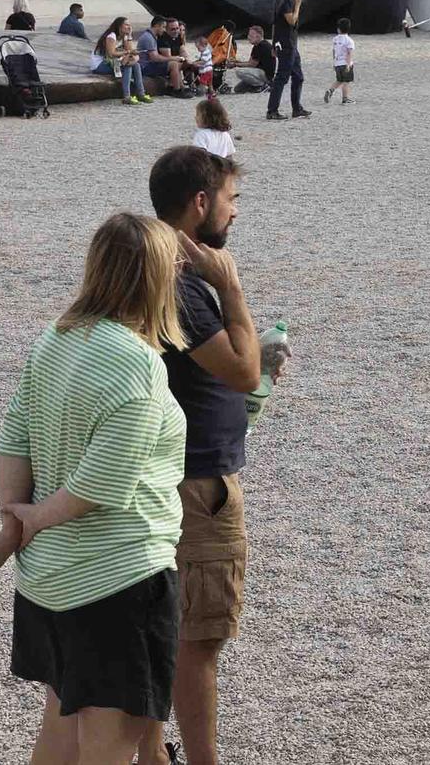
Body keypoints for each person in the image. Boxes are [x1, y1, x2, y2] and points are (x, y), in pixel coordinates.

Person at [0, 213, 188, 765]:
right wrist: (29, 520)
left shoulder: (56, 340)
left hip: (52, 582)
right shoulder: (138, 364)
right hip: (120, 578)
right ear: (156, 278)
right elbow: (104, 483)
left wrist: (15, 525)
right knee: (105, 750)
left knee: (59, 738)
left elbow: (15, 436)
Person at [135, 149, 261, 765]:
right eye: (232, 199)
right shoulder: (187, 280)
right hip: (195, 483)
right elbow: (241, 370)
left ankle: (155, 752)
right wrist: (232, 287)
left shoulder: (149, 263)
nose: (236, 213)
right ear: (202, 203)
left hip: (165, 472)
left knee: (157, 625)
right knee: (198, 637)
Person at [265, 0, 309, 121]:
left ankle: (296, 108)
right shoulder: (287, 1)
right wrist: (297, 6)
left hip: (290, 44)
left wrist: (273, 43)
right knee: (282, 77)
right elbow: (291, 21)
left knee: (298, 76)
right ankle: (272, 111)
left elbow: (274, 24)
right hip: (286, 44)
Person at [95, 18, 144, 106]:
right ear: (119, 26)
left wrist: (129, 36)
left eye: (130, 25)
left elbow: (130, 50)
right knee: (128, 66)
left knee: (136, 65)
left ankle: (141, 93)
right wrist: (128, 53)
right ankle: (127, 96)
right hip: (101, 64)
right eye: (126, 25)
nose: (129, 27)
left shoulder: (124, 36)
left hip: (113, 62)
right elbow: (111, 54)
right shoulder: (111, 36)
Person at [137, 17, 186, 96]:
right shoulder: (148, 38)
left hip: (149, 64)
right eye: (163, 27)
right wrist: (173, 58)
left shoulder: (151, 36)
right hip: (145, 66)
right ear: (157, 26)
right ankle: (176, 90)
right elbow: (155, 57)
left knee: (175, 63)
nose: (164, 30)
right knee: (173, 64)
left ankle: (178, 86)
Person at [323, 19, 356, 106]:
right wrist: (348, 64)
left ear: (338, 29)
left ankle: (330, 90)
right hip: (345, 63)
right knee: (346, 81)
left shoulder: (335, 39)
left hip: (337, 63)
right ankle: (345, 99)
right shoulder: (349, 40)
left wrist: (334, 62)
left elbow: (334, 51)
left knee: (339, 80)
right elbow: (349, 53)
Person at [241, 26, 275, 94]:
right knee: (238, 89)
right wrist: (235, 61)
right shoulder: (256, 46)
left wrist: (235, 65)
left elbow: (252, 64)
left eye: (251, 35)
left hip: (266, 75)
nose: (248, 37)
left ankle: (263, 85)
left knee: (239, 72)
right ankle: (256, 86)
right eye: (248, 35)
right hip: (260, 72)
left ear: (258, 35)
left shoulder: (262, 45)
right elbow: (250, 61)